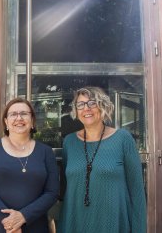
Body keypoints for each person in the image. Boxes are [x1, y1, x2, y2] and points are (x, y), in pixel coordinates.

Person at [57, 86, 146, 233]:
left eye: (92, 103)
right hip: (76, 223)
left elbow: (137, 193)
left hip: (113, 223)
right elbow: (67, 190)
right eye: (80, 104)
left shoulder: (123, 139)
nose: (86, 108)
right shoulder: (69, 142)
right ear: (76, 111)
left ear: (103, 106)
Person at [0, 97, 59, 233]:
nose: (19, 118)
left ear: (32, 121)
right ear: (6, 122)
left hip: (34, 226)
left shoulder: (46, 152)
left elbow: (52, 192)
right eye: (13, 114)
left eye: (24, 114)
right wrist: (9, 220)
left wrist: (24, 216)